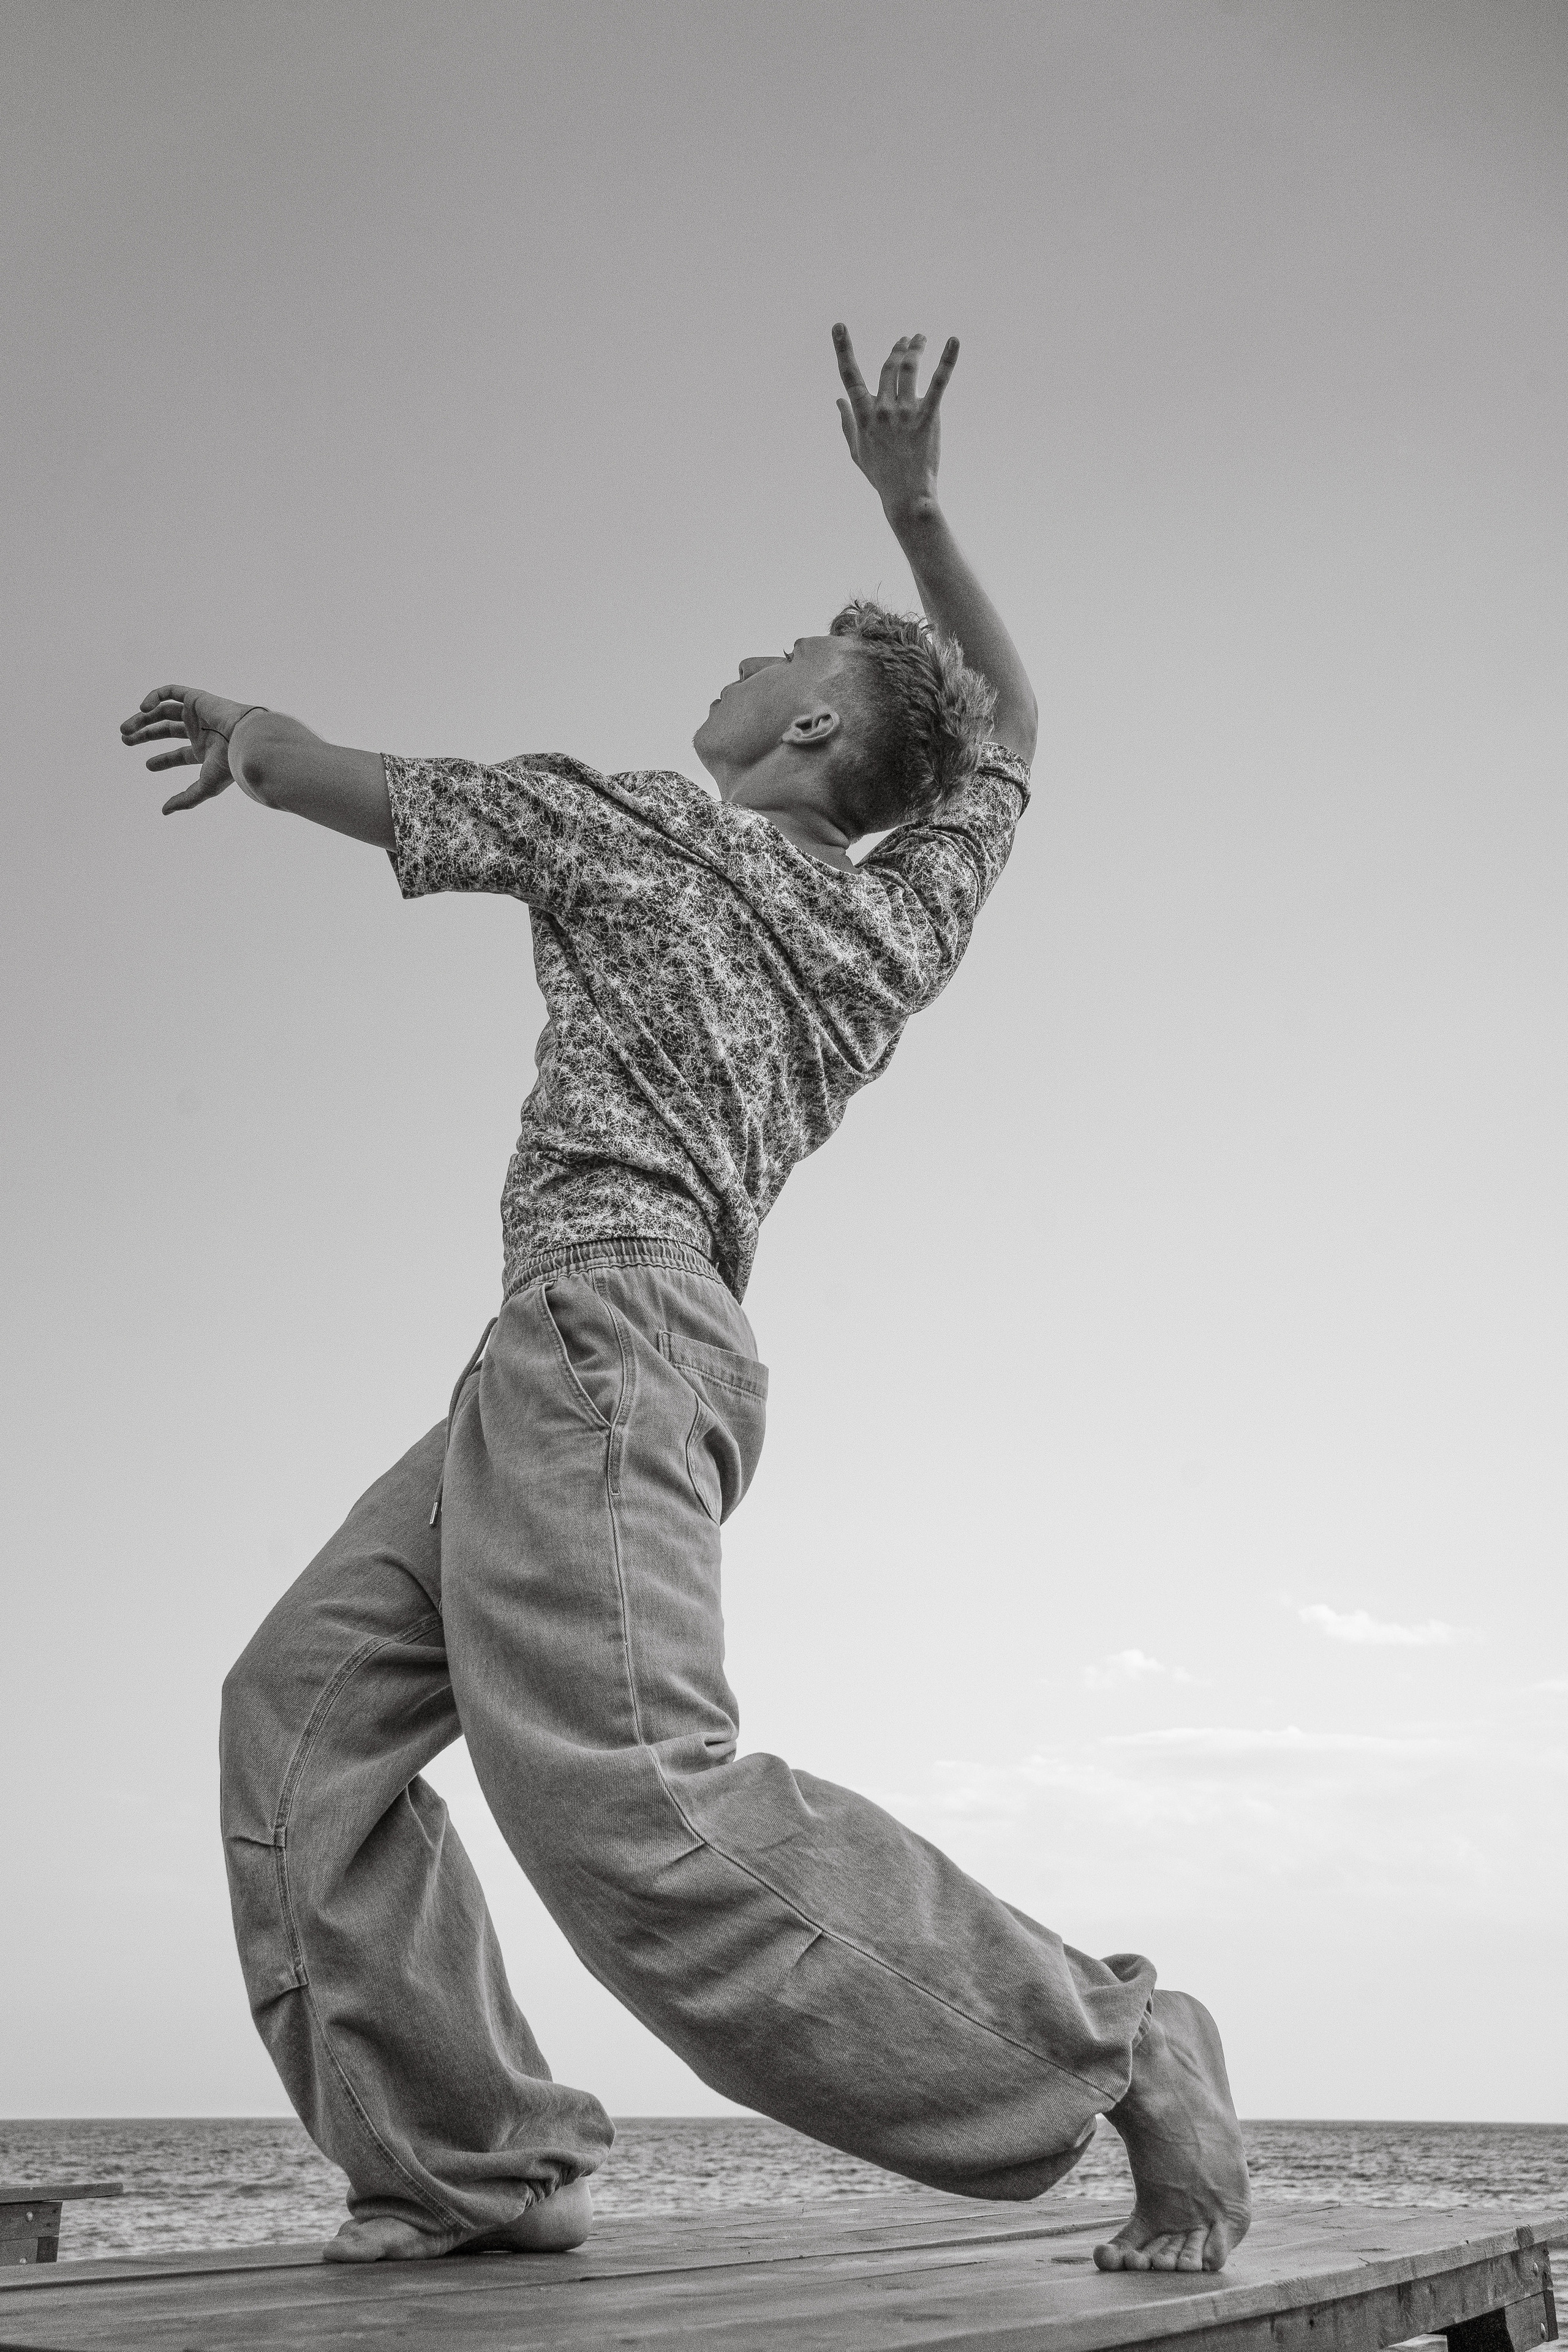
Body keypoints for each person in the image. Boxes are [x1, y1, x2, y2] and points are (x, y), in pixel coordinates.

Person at [121, 326, 1252, 2274]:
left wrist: (261, 740)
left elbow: (373, 790)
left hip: (610, 1345)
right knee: (297, 1717)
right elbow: (1013, 746)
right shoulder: (901, 917)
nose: (743, 660)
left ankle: (1125, 2050)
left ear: (818, 730)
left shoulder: (637, 824)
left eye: (777, 654)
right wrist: (915, 514)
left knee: (640, 1802)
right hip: (569, 1363)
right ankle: (482, 2163)